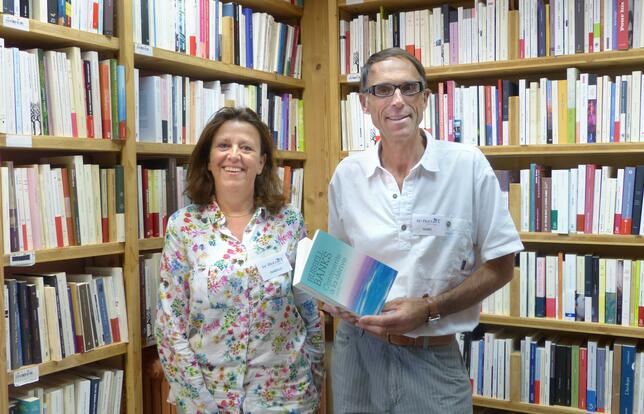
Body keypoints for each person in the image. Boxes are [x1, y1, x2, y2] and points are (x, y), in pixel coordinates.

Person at [327, 48, 524, 413]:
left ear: (425, 98)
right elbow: (341, 265)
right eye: (382, 90)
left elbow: (501, 267)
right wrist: (333, 296)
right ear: (365, 103)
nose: (397, 101)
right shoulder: (347, 175)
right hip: (358, 355)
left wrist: (429, 309)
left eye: (408, 88)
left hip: (432, 356)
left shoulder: (467, 166)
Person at [156, 107, 324, 414]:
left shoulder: (289, 222)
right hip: (209, 397)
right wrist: (200, 403)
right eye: (224, 145)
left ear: (261, 163)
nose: (234, 155)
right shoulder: (183, 226)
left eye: (246, 148)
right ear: (208, 160)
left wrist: (314, 378)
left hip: (287, 397)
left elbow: (309, 308)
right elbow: (171, 324)